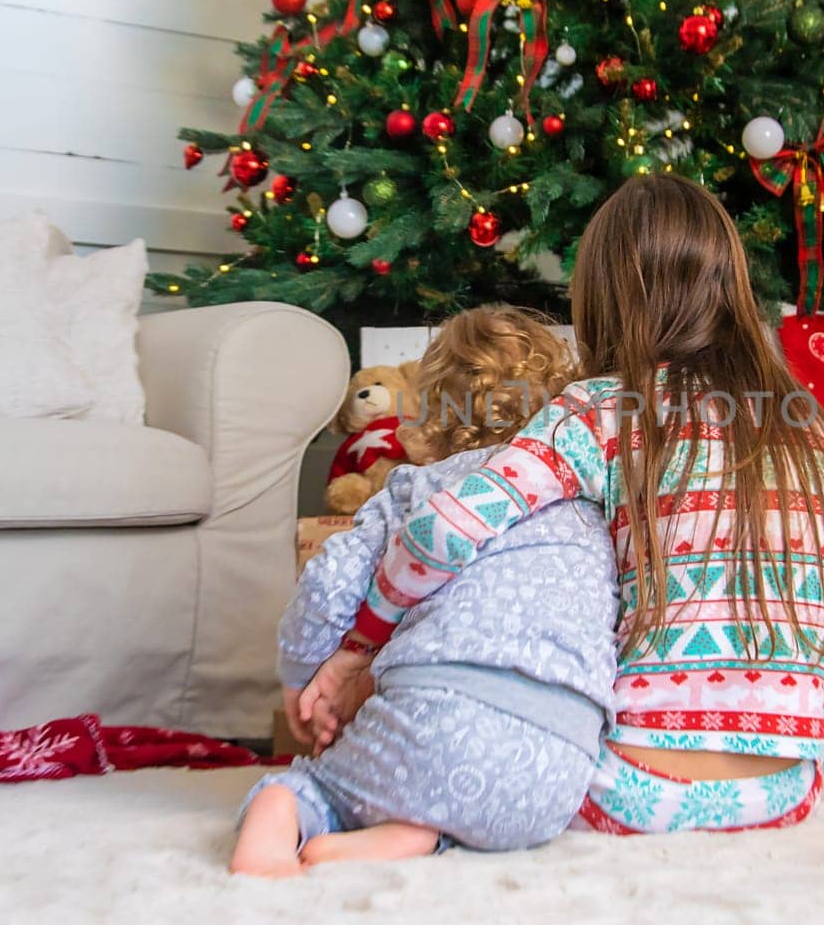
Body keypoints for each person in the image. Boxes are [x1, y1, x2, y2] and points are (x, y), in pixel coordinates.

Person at [333, 174, 824, 834]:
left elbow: (438, 534)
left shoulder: (599, 410)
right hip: (788, 788)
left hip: (619, 791)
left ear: (602, 300)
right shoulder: (804, 425)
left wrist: (358, 646)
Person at [231, 306, 618, 875]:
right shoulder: (587, 503)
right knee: (455, 798)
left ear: (431, 409)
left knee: (308, 786)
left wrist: (302, 675)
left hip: (429, 722)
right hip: (553, 778)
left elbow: (330, 580)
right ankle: (420, 834)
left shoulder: (417, 485)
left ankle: (283, 824)